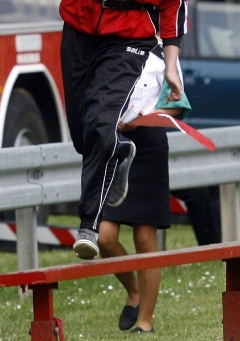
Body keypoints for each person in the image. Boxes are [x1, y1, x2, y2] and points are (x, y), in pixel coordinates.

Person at [50, 0, 191, 260]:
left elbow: (174, 5)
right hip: (80, 24)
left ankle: (88, 228)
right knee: (83, 135)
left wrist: (171, 63)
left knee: (100, 123)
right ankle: (119, 150)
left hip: (130, 35)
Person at [98, 122, 170, 334]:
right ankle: (135, 291)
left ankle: (145, 323)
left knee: (144, 238)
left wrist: (138, 120)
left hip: (149, 147)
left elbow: (177, 105)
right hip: (115, 143)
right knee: (104, 237)